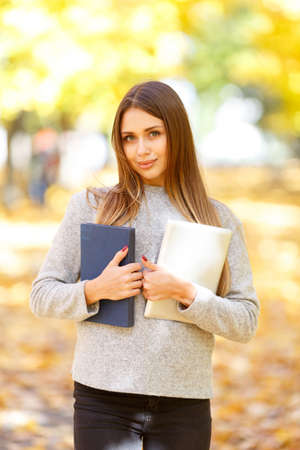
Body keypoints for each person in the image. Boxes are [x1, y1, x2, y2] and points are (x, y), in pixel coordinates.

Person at [29, 80, 260, 450]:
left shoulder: (217, 218)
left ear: (178, 134)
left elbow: (246, 321)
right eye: (129, 138)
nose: (141, 149)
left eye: (154, 133)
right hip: (102, 400)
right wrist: (94, 290)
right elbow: (41, 295)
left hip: (184, 403)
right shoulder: (90, 206)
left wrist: (187, 293)